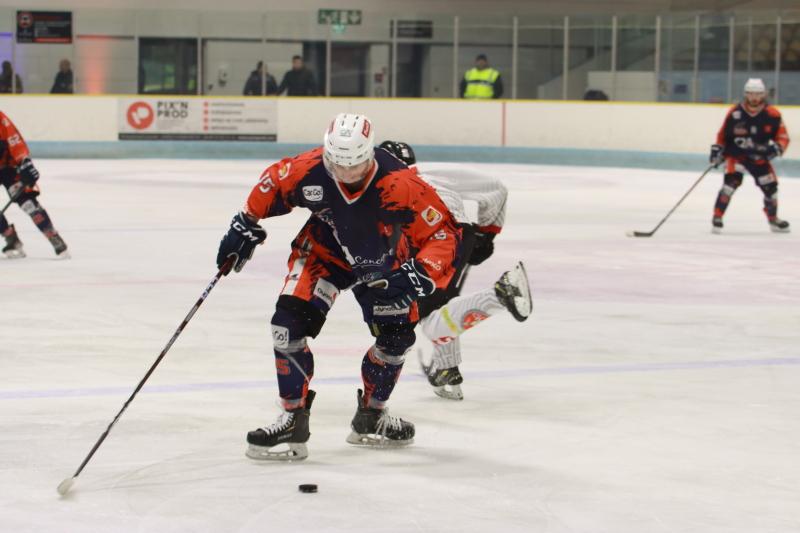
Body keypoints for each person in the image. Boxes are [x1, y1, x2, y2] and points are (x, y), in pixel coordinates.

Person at [215, 113, 460, 460]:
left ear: (369, 156)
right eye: (336, 164)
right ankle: (292, 418)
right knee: (286, 326)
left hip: (384, 262)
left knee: (395, 341)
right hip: (324, 253)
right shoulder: (311, 168)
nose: (344, 173)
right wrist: (245, 222)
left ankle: (372, 415)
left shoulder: (400, 183)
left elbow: (443, 235)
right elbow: (274, 182)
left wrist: (420, 273)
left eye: (354, 166)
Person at [378, 141, 532, 400]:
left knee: (429, 320)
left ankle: (500, 293)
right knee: (441, 307)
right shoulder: (431, 173)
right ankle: (446, 368)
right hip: (459, 233)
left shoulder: (384, 187)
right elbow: (496, 189)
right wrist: (486, 235)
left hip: (432, 240)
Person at [710, 78, 791, 234]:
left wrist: (777, 148)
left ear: (763, 94)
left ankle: (773, 219)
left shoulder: (772, 114)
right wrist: (718, 150)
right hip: (737, 156)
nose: (754, 97)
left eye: (758, 94)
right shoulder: (735, 113)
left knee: (771, 189)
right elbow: (722, 135)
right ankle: (717, 216)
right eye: (751, 93)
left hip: (759, 158)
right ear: (745, 94)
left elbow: (783, 137)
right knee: (730, 184)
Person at [1, 111, 69, 259]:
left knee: (28, 203)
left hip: (8, 168)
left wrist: (25, 162)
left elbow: (14, 140)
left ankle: (53, 236)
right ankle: (11, 238)